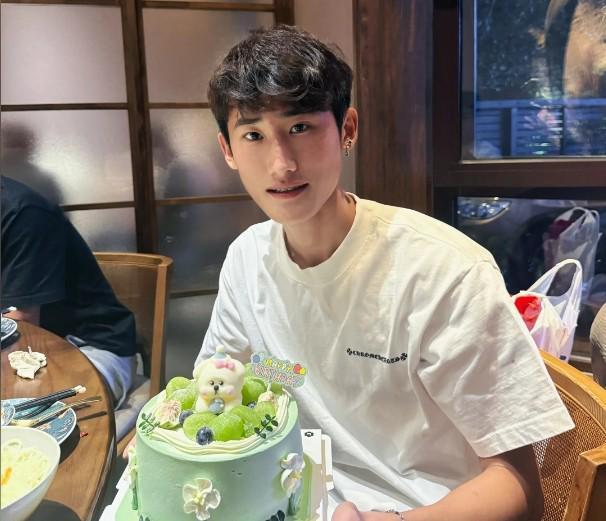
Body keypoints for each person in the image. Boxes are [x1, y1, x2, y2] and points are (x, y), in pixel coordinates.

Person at [196, 26, 573, 520]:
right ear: (227, 149)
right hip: (288, 500)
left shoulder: (444, 272)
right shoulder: (247, 259)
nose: (281, 164)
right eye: (253, 135)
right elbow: (220, 381)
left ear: (347, 129)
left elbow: (518, 487)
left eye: (301, 127)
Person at [1, 175, 136, 409]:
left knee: (28, 416)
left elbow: (20, 329)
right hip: (31, 352)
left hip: (89, 348)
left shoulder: (24, 214)